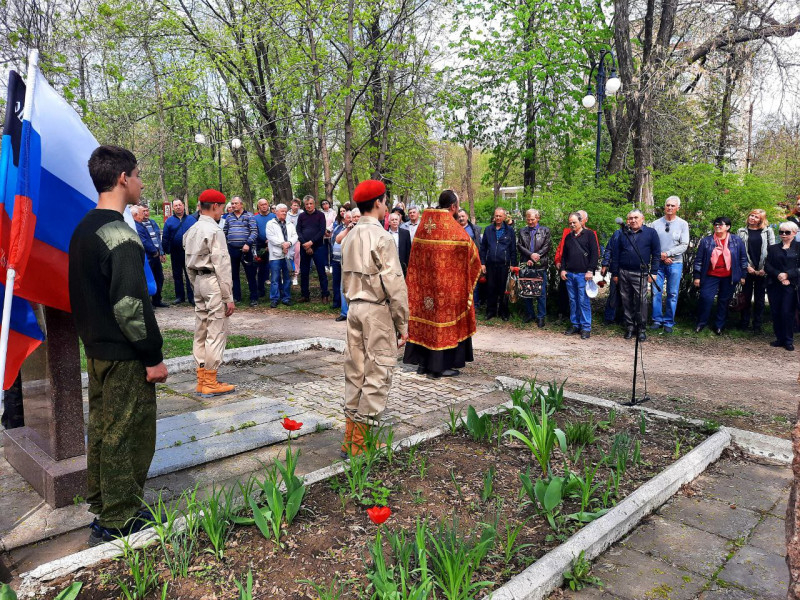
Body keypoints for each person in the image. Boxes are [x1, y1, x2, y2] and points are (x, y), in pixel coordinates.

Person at [69, 145, 168, 546]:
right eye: (139, 175)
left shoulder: (83, 229)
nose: (142, 183)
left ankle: (104, 501)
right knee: (128, 433)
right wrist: (153, 356)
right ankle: (120, 517)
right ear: (123, 178)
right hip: (125, 354)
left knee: (106, 429)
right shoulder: (120, 236)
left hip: (96, 351)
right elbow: (130, 306)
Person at [340, 180, 409, 455]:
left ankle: (350, 436)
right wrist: (402, 323)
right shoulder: (382, 237)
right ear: (379, 202)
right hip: (376, 309)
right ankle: (360, 441)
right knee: (378, 370)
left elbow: (345, 277)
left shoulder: (350, 236)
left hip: (354, 306)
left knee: (355, 369)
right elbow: (394, 282)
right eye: (384, 201)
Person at [403, 190, 481, 377]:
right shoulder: (453, 228)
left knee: (426, 323)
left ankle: (423, 364)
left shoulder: (424, 225)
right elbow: (473, 256)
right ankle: (439, 367)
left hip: (424, 288)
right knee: (442, 323)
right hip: (446, 289)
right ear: (453, 207)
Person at [184, 189, 237, 395]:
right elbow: (222, 265)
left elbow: (187, 263)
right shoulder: (215, 231)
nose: (222, 212)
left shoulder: (191, 230)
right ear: (215, 206)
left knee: (201, 329)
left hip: (198, 279)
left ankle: (201, 377)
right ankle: (210, 379)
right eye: (222, 208)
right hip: (213, 280)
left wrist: (195, 284)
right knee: (216, 330)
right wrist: (228, 296)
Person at [692, 216, 748, 334]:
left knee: (724, 301)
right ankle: (701, 323)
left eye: (720, 225)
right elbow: (699, 260)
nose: (717, 227)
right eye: (715, 224)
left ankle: (719, 325)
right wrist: (697, 276)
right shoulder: (706, 241)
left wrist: (743, 275)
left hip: (728, 276)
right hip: (710, 275)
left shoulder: (736, 240)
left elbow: (743, 258)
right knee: (706, 299)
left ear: (727, 227)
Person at [611, 210, 660, 342]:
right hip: (623, 272)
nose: (633, 220)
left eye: (635, 218)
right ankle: (630, 326)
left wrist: (654, 272)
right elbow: (616, 254)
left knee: (641, 301)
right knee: (626, 300)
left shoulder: (651, 233)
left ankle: (641, 328)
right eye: (630, 218)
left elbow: (656, 254)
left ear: (642, 219)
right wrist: (615, 273)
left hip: (640, 272)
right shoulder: (623, 233)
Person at [649, 196, 689, 333]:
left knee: (672, 293)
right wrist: (661, 255)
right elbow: (651, 243)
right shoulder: (655, 224)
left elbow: (684, 244)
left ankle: (669, 322)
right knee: (656, 292)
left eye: (673, 206)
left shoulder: (683, 224)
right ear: (664, 206)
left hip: (675, 263)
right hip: (658, 263)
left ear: (678, 208)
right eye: (668, 205)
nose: (670, 208)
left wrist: (669, 253)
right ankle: (656, 319)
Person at [555, 210, 599, 321]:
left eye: (574, 222)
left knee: (583, 301)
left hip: (583, 274)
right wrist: (563, 269)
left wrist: (590, 270)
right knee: (573, 301)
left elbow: (595, 254)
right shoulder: (568, 237)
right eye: (570, 223)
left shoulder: (590, 234)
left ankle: (585, 326)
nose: (572, 225)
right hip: (570, 274)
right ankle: (575, 324)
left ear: (581, 221)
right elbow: (564, 255)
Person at [736, 209, 775, 333]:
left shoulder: (768, 231)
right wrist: (746, 266)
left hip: (763, 270)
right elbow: (739, 251)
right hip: (747, 269)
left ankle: (757, 325)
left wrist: (765, 268)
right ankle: (744, 323)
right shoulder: (741, 231)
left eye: (756, 217)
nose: (752, 218)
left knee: (759, 299)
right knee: (745, 297)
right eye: (751, 215)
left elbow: (772, 250)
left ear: (761, 220)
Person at [766, 221, 800, 351]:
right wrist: (779, 275)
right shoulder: (773, 248)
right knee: (776, 312)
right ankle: (779, 338)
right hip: (774, 284)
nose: (784, 235)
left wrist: (788, 275)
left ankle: (788, 340)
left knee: (787, 312)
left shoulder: (798, 247)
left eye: (787, 232)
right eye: (781, 232)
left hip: (792, 285)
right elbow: (768, 265)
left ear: (795, 233)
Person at [480, 207, 517, 321]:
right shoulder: (488, 229)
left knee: (503, 290)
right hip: (491, 264)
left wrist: (513, 264)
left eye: (500, 216)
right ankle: (490, 311)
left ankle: (503, 312)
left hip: (504, 264)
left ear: (504, 217)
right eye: (496, 216)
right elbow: (483, 248)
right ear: (494, 216)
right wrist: (482, 263)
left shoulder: (509, 230)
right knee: (490, 289)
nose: (498, 218)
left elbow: (513, 249)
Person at [517, 208, 551, 327]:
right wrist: (530, 256)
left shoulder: (545, 231)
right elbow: (520, 246)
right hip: (526, 264)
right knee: (527, 291)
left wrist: (536, 257)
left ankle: (541, 316)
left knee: (541, 292)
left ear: (538, 218)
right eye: (528, 219)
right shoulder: (522, 231)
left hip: (540, 265)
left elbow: (547, 246)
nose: (530, 222)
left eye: (532, 219)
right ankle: (529, 314)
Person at [223, 196, 259, 306]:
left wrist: (248, 244)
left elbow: (254, 232)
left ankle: (254, 298)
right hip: (232, 249)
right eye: (232, 204)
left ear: (241, 204)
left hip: (246, 250)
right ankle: (237, 297)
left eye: (235, 203)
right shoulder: (229, 217)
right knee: (234, 274)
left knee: (250, 274)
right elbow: (224, 232)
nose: (233, 205)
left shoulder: (249, 216)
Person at [161, 199, 197, 305]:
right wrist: (165, 251)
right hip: (175, 252)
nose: (178, 207)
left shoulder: (192, 219)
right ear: (173, 208)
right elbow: (166, 237)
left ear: (183, 206)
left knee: (190, 274)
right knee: (177, 275)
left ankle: (192, 297)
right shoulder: (169, 221)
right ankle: (179, 297)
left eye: (179, 205)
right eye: (175, 205)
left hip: (189, 252)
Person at [131, 205, 167, 308]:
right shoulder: (136, 225)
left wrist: (160, 252)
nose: (144, 214)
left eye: (146, 211)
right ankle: (147, 303)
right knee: (147, 279)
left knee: (159, 277)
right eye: (142, 212)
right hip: (147, 257)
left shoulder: (151, 223)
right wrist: (153, 251)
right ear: (135, 214)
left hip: (155, 255)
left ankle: (157, 300)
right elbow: (144, 241)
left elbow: (157, 238)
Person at [296, 195, 330, 302]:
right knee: (304, 272)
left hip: (318, 247)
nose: (309, 206)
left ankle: (325, 294)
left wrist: (311, 243)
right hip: (304, 247)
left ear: (314, 204)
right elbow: (298, 231)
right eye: (307, 204)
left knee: (321, 272)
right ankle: (305, 295)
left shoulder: (320, 215)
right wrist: (305, 244)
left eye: (311, 204)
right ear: (304, 205)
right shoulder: (301, 216)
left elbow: (322, 231)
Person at [265, 203, 297, 308]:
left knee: (288, 278)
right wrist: (282, 244)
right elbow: (271, 237)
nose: (284, 213)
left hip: (287, 255)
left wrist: (289, 243)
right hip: (275, 255)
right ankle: (274, 299)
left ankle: (286, 298)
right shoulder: (270, 224)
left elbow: (295, 236)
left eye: (285, 211)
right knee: (275, 278)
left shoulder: (290, 224)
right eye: (282, 211)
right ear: (276, 212)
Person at [335, 208, 361, 321]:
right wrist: (348, 229)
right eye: (354, 217)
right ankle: (344, 312)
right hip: (347, 263)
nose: (356, 219)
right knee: (344, 287)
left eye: (357, 217)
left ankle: (357, 314)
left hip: (360, 264)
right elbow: (337, 240)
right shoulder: (347, 229)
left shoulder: (366, 229)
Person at [254, 198, 277, 299]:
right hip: (261, 246)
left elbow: (277, 230)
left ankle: (276, 291)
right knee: (261, 269)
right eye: (262, 205)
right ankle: (260, 290)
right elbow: (255, 232)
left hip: (274, 245)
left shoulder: (273, 216)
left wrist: (271, 241)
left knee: (275, 268)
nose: (264, 206)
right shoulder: (255, 218)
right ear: (258, 206)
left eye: (265, 204)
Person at [331, 210, 352, 313]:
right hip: (336, 259)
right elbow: (335, 240)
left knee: (347, 285)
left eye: (352, 217)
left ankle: (349, 310)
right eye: (348, 218)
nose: (350, 219)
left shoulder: (356, 229)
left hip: (348, 261)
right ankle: (338, 304)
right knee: (337, 283)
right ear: (344, 219)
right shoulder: (339, 228)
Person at [287, 198, 302, 285]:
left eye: (297, 205)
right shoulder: (287, 214)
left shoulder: (301, 214)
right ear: (291, 206)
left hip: (297, 239)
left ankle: (295, 276)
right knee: (287, 257)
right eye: (294, 205)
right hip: (288, 239)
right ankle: (288, 274)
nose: (296, 207)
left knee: (297, 257)